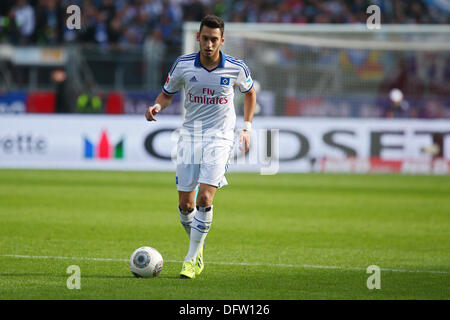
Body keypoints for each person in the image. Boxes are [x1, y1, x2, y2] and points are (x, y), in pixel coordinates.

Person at [145, 15, 256, 279]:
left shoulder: (236, 67)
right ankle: (199, 247)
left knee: (206, 197)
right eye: (205, 38)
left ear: (222, 41)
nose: (209, 44)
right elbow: (167, 94)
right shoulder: (183, 65)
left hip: (220, 138)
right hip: (190, 137)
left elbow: (250, 92)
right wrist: (157, 106)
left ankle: (191, 258)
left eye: (214, 40)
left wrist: (247, 127)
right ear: (198, 37)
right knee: (186, 204)